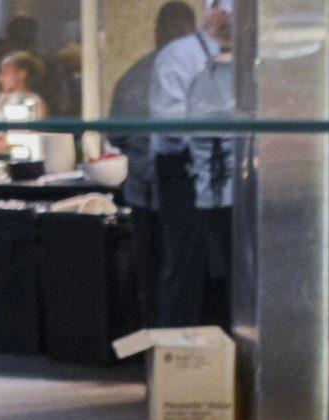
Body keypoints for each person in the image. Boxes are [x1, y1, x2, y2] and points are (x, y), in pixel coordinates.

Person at [110, 1, 196, 328]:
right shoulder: (200, 72)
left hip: (142, 194)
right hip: (188, 198)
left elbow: (116, 138)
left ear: (156, 32)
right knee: (183, 282)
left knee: (149, 278)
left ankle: (154, 355)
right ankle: (180, 355)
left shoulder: (133, 77)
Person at [148, 0, 232, 327]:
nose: (226, 15)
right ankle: (178, 359)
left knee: (229, 270)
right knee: (187, 268)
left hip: (230, 178)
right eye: (220, 7)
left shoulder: (249, 58)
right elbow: (168, 128)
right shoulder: (179, 55)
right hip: (183, 175)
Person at [186, 40, 234, 330]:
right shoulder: (232, 85)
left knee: (216, 277)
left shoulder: (200, 82)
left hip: (206, 197)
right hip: (231, 196)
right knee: (231, 276)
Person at [0, 51, 49, 120]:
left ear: (22, 74)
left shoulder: (33, 102)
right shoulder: (1, 100)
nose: (0, 78)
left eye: (6, 73)